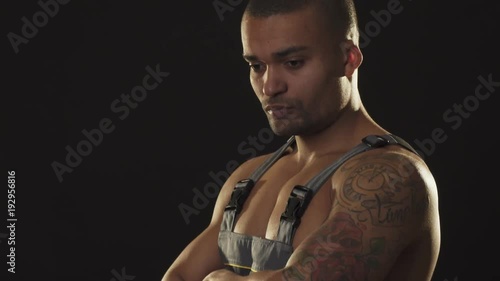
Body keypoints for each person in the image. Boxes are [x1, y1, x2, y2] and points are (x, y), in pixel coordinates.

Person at [161, 0, 441, 280]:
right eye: (257, 66)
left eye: (293, 63)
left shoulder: (391, 179)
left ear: (348, 59)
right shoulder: (248, 179)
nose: (270, 87)